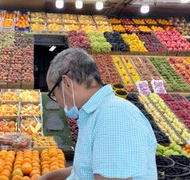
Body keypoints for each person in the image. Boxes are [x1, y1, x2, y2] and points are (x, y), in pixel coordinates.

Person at [41, 48, 157, 180]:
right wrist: (50, 176)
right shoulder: (96, 114)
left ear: (67, 83)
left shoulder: (115, 116)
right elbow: (88, 168)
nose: (59, 104)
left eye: (54, 94)